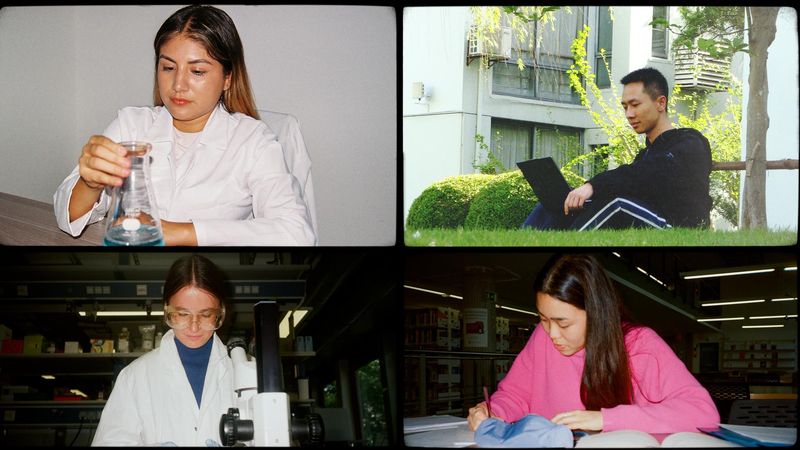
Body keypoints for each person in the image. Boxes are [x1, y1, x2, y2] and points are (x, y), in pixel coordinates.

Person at [53, 5, 316, 246]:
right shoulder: (131, 124)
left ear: (227, 78)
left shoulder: (253, 140)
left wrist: (174, 231)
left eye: (197, 71)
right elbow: (67, 217)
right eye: (168, 67)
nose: (178, 85)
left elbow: (296, 233)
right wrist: (90, 184)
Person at [467, 254, 719, 435]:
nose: (552, 333)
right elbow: (515, 394)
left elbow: (702, 412)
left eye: (563, 324)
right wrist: (494, 411)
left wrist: (605, 419)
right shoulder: (542, 337)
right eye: (543, 319)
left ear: (597, 313)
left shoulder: (639, 344)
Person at [522, 67, 713, 230]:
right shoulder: (646, 154)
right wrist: (580, 197)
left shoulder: (690, 142)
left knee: (618, 204)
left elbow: (647, 173)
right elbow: (635, 179)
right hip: (646, 215)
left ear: (661, 103)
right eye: (625, 107)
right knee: (560, 202)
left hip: (678, 225)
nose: (629, 114)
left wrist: (592, 186)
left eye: (635, 105)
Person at [92, 254, 234, 446]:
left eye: (206, 315)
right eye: (182, 314)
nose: (193, 327)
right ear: (167, 310)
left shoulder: (247, 370)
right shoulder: (135, 376)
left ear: (220, 313)